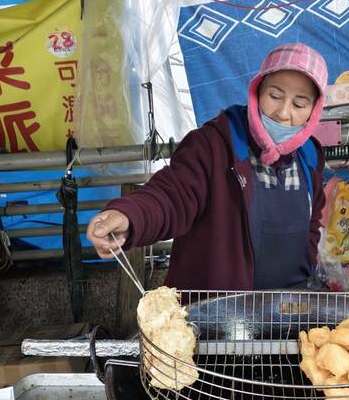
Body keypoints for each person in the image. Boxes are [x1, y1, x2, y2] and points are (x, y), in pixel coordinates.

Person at [87, 43, 328, 290]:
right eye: (275, 96)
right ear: (257, 91)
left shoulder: (309, 155)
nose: (283, 113)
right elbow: (173, 194)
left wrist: (307, 267)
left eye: (299, 104)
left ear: (313, 110)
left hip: (289, 307)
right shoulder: (213, 145)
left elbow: (313, 221)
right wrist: (129, 216)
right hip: (215, 308)